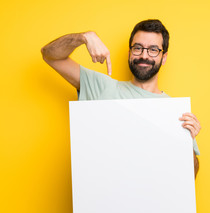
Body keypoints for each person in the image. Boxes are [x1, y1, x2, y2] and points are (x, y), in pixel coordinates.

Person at [41, 19, 201, 178]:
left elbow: (188, 178)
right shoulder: (102, 87)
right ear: (130, 52)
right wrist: (84, 37)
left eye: (153, 50)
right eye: (138, 48)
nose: (144, 55)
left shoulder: (174, 111)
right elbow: (51, 56)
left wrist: (185, 143)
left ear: (163, 57)